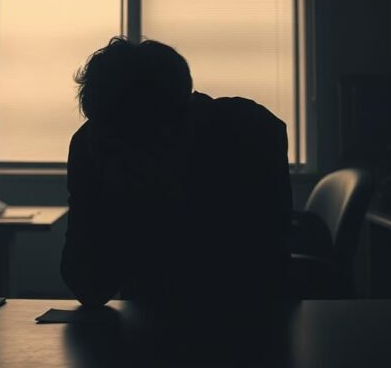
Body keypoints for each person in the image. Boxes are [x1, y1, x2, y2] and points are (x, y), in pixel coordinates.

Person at [60, 37, 293, 309]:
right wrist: (113, 196)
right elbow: (88, 286)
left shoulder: (247, 134)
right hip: (147, 314)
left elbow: (261, 266)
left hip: (246, 314)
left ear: (180, 116)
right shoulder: (94, 146)